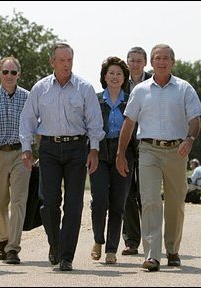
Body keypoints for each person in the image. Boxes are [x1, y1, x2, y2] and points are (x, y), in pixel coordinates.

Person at [116, 43, 201, 272]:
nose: (162, 61)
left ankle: (172, 250)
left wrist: (189, 140)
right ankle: (152, 255)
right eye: (157, 58)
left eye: (166, 58)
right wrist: (120, 153)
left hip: (177, 151)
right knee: (150, 200)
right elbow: (129, 122)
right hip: (148, 150)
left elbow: (195, 119)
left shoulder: (185, 88)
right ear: (151, 63)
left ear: (172, 62)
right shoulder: (140, 90)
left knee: (175, 203)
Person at [19, 43, 105, 271]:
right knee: (48, 203)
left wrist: (94, 149)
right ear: (52, 62)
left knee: (74, 204)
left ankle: (66, 256)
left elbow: (95, 122)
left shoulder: (84, 88)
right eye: (62, 60)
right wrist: (26, 148)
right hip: (48, 148)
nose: (66, 64)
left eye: (69, 60)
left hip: (77, 148)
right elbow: (28, 119)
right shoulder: (40, 88)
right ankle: (55, 244)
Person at [89, 56, 134, 265]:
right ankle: (98, 239)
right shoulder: (95, 100)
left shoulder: (132, 100)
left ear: (124, 78)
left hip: (124, 152)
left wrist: (124, 153)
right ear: (104, 77)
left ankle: (111, 249)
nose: (115, 77)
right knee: (99, 201)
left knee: (118, 203)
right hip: (99, 150)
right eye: (111, 73)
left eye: (119, 74)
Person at [0, 56, 31, 264]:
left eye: (13, 72)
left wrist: (32, 151)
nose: (9, 76)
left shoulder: (28, 97)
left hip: (20, 154)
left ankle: (13, 248)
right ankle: (4, 238)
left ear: (19, 75)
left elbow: (34, 125)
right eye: (5, 72)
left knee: (18, 202)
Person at [121, 47, 152, 256]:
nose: (134, 64)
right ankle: (131, 240)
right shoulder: (119, 80)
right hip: (125, 142)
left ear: (145, 62)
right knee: (126, 192)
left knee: (146, 193)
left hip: (147, 140)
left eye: (138, 60)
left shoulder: (154, 81)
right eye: (131, 60)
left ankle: (151, 239)